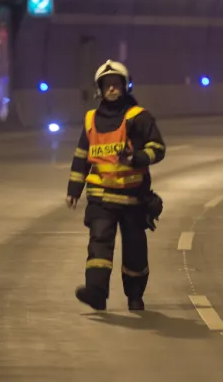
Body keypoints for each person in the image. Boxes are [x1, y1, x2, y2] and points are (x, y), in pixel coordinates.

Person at [67, 59, 166, 312]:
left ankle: (135, 296)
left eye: (116, 85)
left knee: (134, 250)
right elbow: (81, 156)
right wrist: (73, 190)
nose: (112, 89)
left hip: (133, 198)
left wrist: (137, 158)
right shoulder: (91, 120)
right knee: (99, 243)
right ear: (100, 89)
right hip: (100, 197)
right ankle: (96, 293)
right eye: (107, 85)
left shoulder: (138, 117)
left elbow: (158, 148)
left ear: (125, 87)